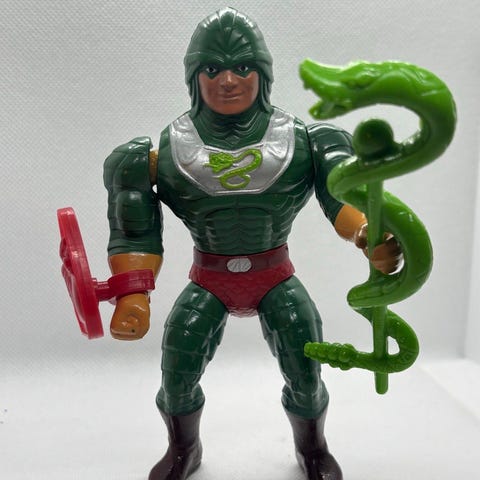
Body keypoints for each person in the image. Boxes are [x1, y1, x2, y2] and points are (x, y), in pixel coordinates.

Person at [103, 8, 401, 480]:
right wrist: (132, 294)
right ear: (194, 77)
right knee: (176, 377)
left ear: (262, 73)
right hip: (209, 279)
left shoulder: (304, 142)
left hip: (274, 277)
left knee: (306, 374)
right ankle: (184, 450)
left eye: (242, 67)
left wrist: (369, 236)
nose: (228, 81)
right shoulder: (159, 154)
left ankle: (313, 449)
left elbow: (342, 199)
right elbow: (135, 230)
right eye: (212, 68)